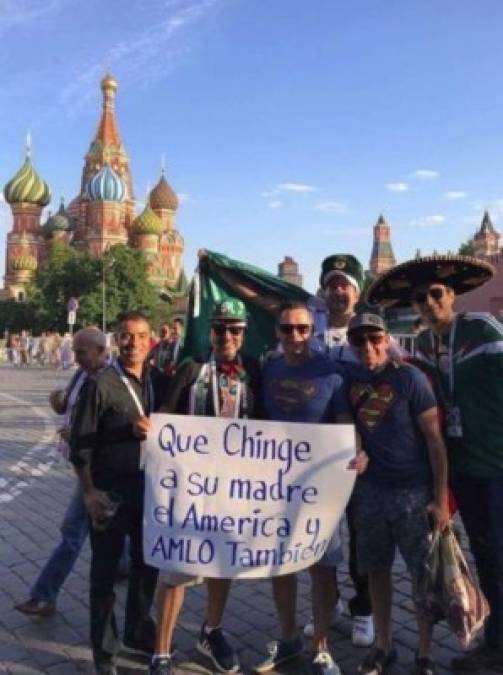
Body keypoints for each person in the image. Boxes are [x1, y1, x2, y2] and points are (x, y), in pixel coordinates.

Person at [367, 254, 503, 671]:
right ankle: (495, 640)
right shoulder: (423, 346)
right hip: (464, 467)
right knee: (484, 554)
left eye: (436, 294)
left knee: (498, 554)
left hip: (497, 463)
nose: (428, 303)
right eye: (420, 299)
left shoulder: (482, 328)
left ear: (452, 295)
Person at [136, 298, 260, 675]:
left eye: (234, 329)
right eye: (220, 328)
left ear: (243, 334)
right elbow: (169, 417)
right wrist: (152, 430)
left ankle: (211, 631)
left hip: (234, 489)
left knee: (222, 563)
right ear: (210, 331)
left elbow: (269, 427)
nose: (226, 336)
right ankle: (162, 650)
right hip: (191, 488)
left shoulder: (253, 372)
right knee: (177, 568)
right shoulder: (192, 370)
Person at [255, 300, 366, 675]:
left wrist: (356, 454)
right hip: (277, 485)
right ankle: (288, 640)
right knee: (281, 566)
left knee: (322, 566)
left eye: (302, 329)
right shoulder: (269, 370)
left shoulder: (332, 373)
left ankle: (321, 646)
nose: (295, 337)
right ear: (277, 332)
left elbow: (346, 422)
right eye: (287, 329)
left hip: (320, 485)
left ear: (312, 331)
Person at [344, 312, 449, 675]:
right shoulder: (353, 379)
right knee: (376, 571)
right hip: (370, 493)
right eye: (359, 341)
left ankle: (424, 653)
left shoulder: (410, 378)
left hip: (413, 493)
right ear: (352, 344)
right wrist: (359, 449)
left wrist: (440, 499)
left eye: (374, 338)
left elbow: (435, 442)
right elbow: (354, 430)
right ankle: (384, 645)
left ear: (386, 337)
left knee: (422, 575)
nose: (368, 347)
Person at [70, 311, 169, 675]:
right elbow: (80, 444)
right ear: (116, 339)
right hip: (110, 492)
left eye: (141, 336)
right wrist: (89, 493)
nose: (133, 343)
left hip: (150, 491)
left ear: (151, 339)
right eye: (126, 336)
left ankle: (139, 633)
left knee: (148, 567)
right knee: (105, 574)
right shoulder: (102, 384)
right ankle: (105, 651)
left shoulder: (159, 380)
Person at [14, 328, 108, 618]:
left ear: (101, 351)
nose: (76, 358)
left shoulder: (109, 381)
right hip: (82, 466)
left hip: (96, 471)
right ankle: (125, 563)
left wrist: (79, 436)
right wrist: (59, 404)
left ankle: (44, 595)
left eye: (81, 352)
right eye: (76, 351)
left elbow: (114, 429)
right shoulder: (83, 374)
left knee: (72, 530)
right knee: (104, 526)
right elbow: (68, 404)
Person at [308, 254, 375, 648]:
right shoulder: (309, 331)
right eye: (332, 283)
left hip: (360, 453)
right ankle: (326, 605)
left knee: (362, 535)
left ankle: (363, 609)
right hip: (317, 455)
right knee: (320, 535)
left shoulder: (368, 332)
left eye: (345, 284)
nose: (338, 290)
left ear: (357, 291)